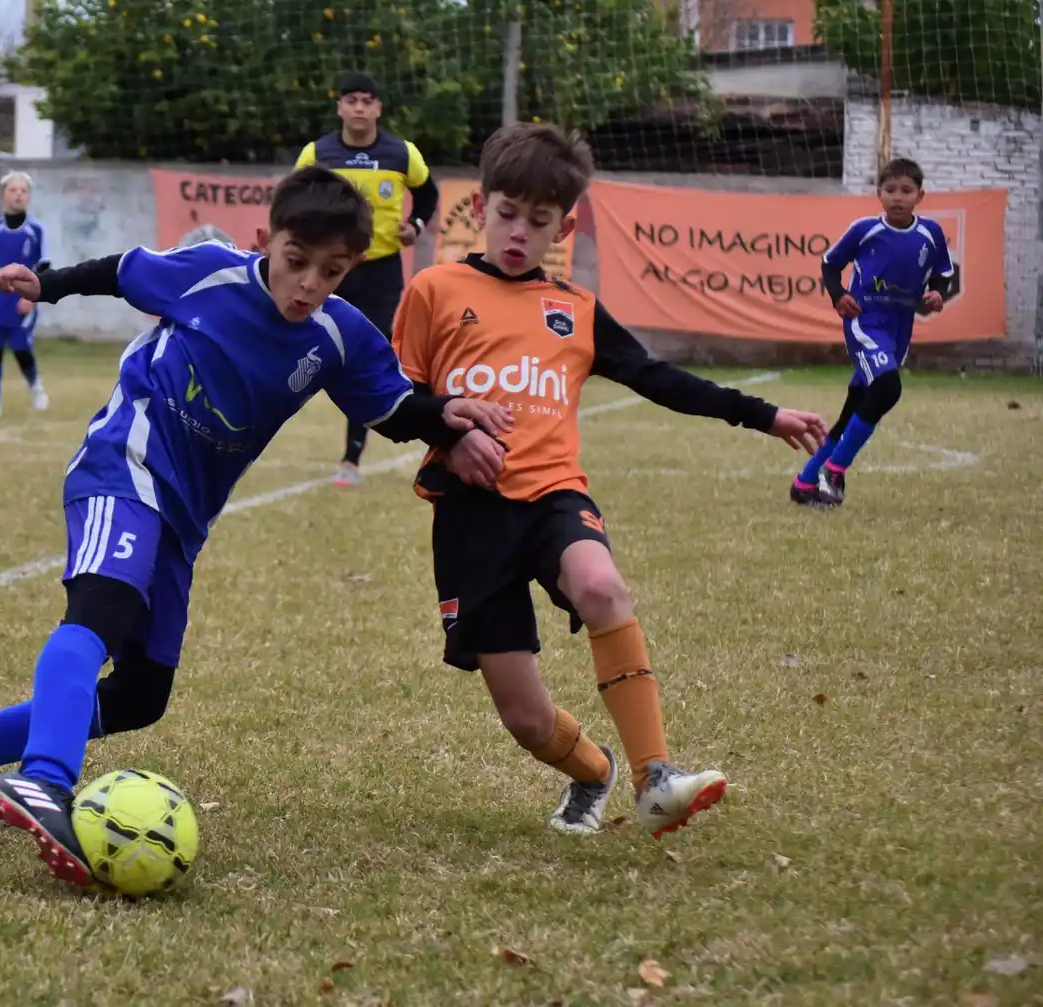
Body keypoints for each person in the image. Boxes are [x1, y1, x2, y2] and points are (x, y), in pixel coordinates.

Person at [0, 166, 512, 884]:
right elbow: (123, 270)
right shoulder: (212, 274)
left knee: (141, 692)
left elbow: (393, 408)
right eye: (296, 262)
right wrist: (48, 284)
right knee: (100, 605)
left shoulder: (340, 336)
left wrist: (447, 416)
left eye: (332, 271)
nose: (309, 284)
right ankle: (46, 779)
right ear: (263, 241)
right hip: (124, 462)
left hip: (185, 514)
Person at [390, 123, 829, 838]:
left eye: (537, 222)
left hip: (555, 496)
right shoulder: (435, 290)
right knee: (526, 718)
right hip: (471, 516)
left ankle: (657, 776)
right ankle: (594, 772)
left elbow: (659, 379)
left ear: (563, 226)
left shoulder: (576, 310)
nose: (517, 233)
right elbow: (389, 400)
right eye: (505, 214)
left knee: (600, 585)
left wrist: (763, 414)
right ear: (481, 207)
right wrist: (448, 433)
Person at [294, 72, 440, 487]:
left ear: (378, 108)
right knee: (301, 344)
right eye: (351, 100)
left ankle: (351, 458)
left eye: (367, 100)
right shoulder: (317, 153)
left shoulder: (402, 153)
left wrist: (416, 224)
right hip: (330, 269)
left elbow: (428, 194)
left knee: (370, 356)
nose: (359, 107)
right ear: (340, 107)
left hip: (381, 270)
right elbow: (294, 197)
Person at [791, 157, 956, 508]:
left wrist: (938, 292)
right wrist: (838, 295)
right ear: (879, 193)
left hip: (899, 327)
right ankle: (834, 472)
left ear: (920, 195)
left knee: (857, 407)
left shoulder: (931, 234)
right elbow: (830, 263)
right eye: (890, 190)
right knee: (887, 387)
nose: (898, 197)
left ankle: (805, 482)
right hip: (865, 321)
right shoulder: (864, 229)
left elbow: (943, 271)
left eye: (906, 190)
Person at [0, 171, 50, 420]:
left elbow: (44, 267)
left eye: (23, 191)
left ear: (29, 196)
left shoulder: (36, 230)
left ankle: (36, 387)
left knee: (20, 346)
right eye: (13, 190)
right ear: (3, 195)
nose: (18, 195)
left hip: (22, 299)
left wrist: (32, 297)